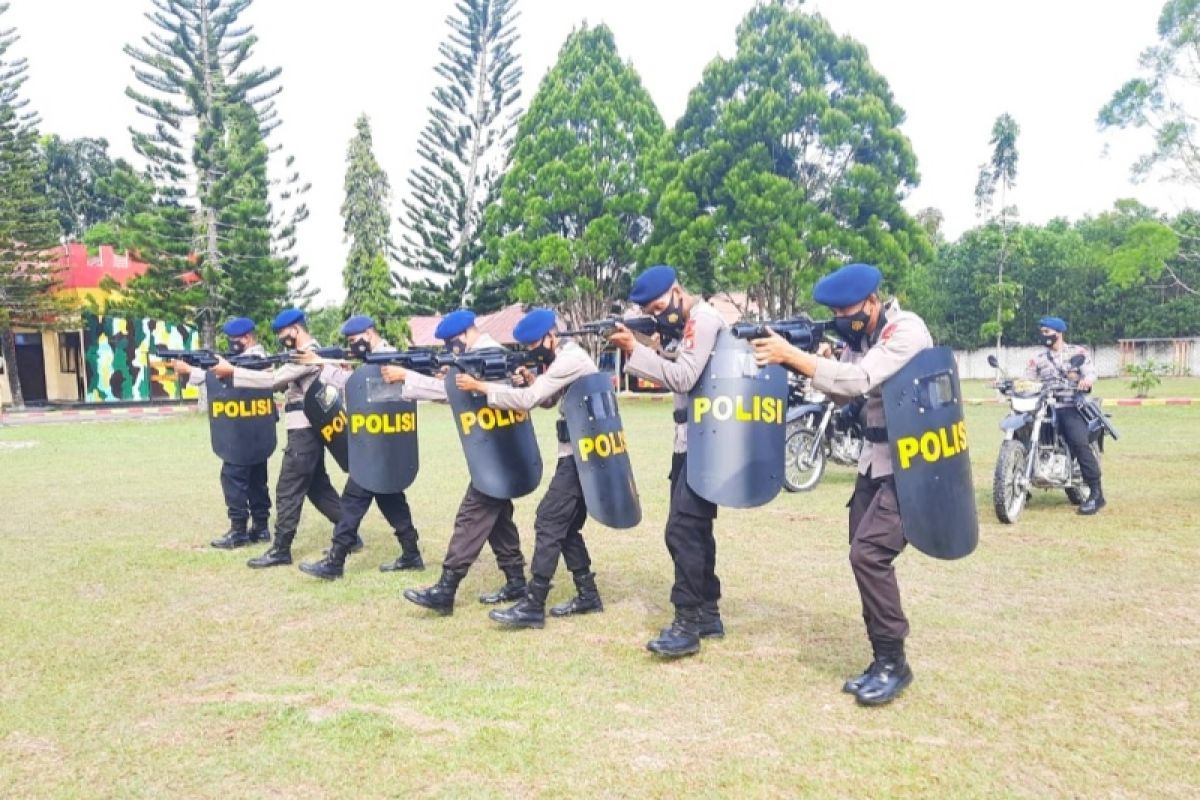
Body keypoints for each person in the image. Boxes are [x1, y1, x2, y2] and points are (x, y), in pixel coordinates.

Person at [751, 262, 932, 706]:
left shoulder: (904, 331)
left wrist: (795, 357)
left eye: (848, 314)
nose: (843, 323)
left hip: (914, 464)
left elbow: (862, 378)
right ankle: (880, 658)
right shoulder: (860, 338)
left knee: (869, 554)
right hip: (874, 463)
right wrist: (815, 365)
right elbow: (845, 392)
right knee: (862, 556)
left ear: (872, 303)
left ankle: (895, 663)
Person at [454, 308, 603, 629]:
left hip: (582, 453)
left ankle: (534, 603)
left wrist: (481, 387)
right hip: (581, 451)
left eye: (536, 344)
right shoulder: (564, 359)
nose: (534, 351)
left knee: (548, 520)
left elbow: (528, 400)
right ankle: (588, 594)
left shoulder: (570, 358)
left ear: (552, 336)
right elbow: (547, 398)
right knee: (565, 527)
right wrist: (534, 380)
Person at [608, 265, 726, 658]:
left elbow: (684, 377)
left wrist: (635, 350)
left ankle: (687, 622)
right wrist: (651, 346)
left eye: (660, 307)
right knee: (696, 530)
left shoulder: (703, 318)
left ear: (678, 291)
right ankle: (708, 612)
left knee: (682, 530)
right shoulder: (685, 324)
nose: (659, 316)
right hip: (688, 441)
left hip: (704, 441)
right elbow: (676, 362)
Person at [384, 310, 529, 614]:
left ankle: (445, 589)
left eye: (452, 342)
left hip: (498, 453)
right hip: (494, 452)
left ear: (465, 335)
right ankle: (516, 579)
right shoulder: (476, 357)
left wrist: (408, 377)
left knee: (471, 516)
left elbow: (451, 393)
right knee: (498, 517)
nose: (451, 348)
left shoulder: (491, 356)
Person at [211, 308, 342, 568]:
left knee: (287, 490)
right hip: (307, 429)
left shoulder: (308, 355)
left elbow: (273, 380)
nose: (281, 336)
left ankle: (281, 549)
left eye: (283, 332)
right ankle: (349, 531)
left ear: (296, 329)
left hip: (304, 430)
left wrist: (232, 373)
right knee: (317, 487)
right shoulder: (301, 355)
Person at [297, 315, 425, 580]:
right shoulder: (374, 358)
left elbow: (363, 386)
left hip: (381, 440)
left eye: (355, 341)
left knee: (354, 499)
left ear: (369, 333)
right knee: (390, 497)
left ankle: (336, 560)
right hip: (376, 439)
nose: (353, 346)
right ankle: (411, 552)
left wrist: (323, 366)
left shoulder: (388, 357)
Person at [172, 317, 272, 549]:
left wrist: (192, 371)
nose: (231, 344)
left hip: (241, 434)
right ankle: (261, 526)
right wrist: (192, 369)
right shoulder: (253, 360)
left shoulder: (255, 360)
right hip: (256, 432)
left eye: (234, 340)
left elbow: (225, 375)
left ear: (246, 338)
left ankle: (239, 530)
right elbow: (220, 374)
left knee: (233, 478)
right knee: (258, 480)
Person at [1024, 316, 1104, 514]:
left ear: (1058, 332)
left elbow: (1091, 373)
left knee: (1078, 442)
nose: (1044, 336)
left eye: (1047, 332)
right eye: (1042, 332)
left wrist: (1086, 381)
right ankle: (1020, 484)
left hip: (1068, 405)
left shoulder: (1077, 352)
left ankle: (1096, 493)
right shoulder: (1038, 359)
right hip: (1043, 406)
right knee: (1021, 432)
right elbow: (1027, 380)